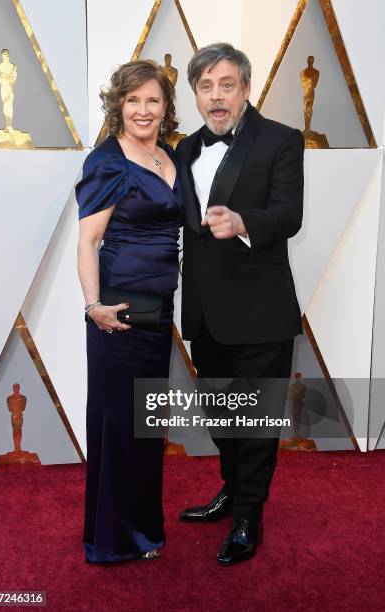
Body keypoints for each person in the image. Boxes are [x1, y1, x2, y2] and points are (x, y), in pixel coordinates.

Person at [176, 43, 304, 565]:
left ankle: (250, 515)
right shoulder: (184, 148)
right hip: (205, 311)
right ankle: (232, 490)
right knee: (221, 414)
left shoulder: (281, 140)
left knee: (255, 422)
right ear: (196, 95)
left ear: (246, 89)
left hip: (259, 311)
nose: (216, 96)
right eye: (206, 87)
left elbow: (289, 214)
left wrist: (244, 221)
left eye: (226, 84)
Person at [75, 60, 182, 563]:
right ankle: (112, 537)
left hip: (158, 312)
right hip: (117, 312)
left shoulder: (168, 155)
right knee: (117, 421)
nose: (143, 109)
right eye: (133, 99)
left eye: (152, 100)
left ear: (165, 107)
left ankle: (143, 527)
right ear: (118, 104)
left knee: (145, 424)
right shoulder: (108, 161)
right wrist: (93, 305)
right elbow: (89, 239)